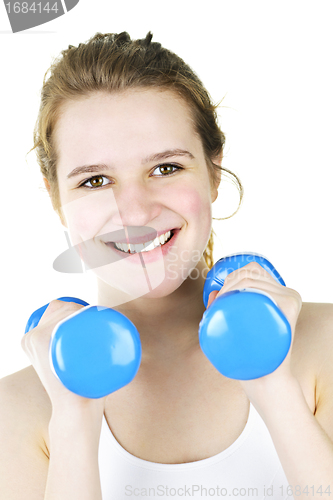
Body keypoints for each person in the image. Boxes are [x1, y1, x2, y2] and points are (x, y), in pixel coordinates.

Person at [0, 31, 332, 500]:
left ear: (214, 170)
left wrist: (275, 388)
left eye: (165, 168)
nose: (135, 213)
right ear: (56, 198)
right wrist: (73, 425)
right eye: (96, 180)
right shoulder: (17, 408)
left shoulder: (324, 345)